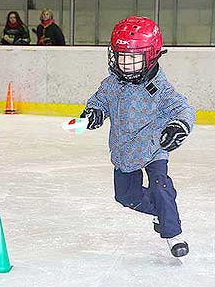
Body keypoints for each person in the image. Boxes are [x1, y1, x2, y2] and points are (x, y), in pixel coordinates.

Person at [80, 16, 195, 258]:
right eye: (122, 57)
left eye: (133, 59)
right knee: (125, 196)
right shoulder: (112, 84)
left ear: (151, 55)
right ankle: (160, 211)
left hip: (154, 146)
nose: (126, 64)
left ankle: (173, 235)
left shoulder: (159, 88)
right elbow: (99, 101)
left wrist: (177, 126)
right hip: (125, 150)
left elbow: (182, 108)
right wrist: (94, 113)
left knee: (160, 186)